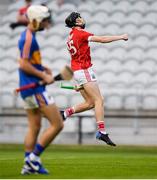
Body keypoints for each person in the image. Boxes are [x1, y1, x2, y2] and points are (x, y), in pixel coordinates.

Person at [62, 12, 128, 146]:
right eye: (79, 18)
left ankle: (65, 113)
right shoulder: (81, 34)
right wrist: (121, 37)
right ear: (76, 22)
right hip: (84, 70)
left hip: (77, 72)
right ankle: (101, 132)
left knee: (90, 103)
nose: (81, 19)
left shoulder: (70, 36)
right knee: (99, 100)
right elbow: (102, 39)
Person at [18, 5, 64, 174]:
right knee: (57, 123)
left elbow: (27, 61)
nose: (46, 23)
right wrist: (43, 76)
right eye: (44, 20)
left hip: (28, 89)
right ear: (36, 20)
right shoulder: (28, 38)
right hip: (35, 89)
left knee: (34, 127)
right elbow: (23, 64)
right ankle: (33, 159)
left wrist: (41, 67)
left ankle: (27, 164)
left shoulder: (29, 36)